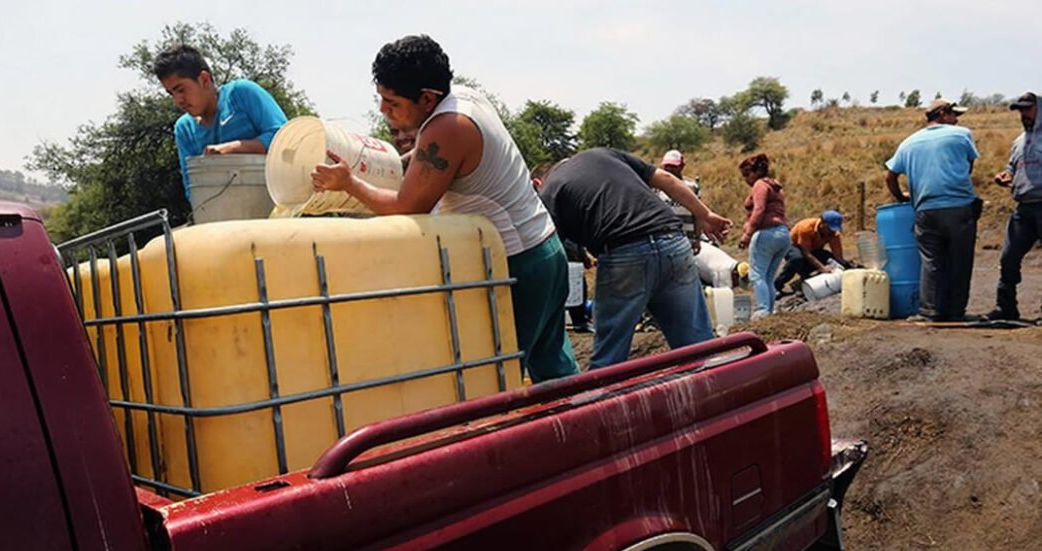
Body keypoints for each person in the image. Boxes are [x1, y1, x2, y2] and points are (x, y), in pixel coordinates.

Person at [309, 35, 578, 382]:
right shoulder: (462, 98)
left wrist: (350, 184)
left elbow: (407, 208)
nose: (383, 111)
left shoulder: (448, 128)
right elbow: (426, 157)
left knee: (498, 377)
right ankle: (585, 430)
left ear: (426, 98)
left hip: (517, 264)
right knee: (553, 368)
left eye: (391, 102)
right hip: (544, 249)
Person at [533, 149, 732, 370]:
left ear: (537, 182)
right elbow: (666, 179)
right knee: (697, 347)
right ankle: (713, 395)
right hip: (673, 242)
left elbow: (551, 252)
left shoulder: (549, 191)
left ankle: (603, 400)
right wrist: (705, 214)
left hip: (624, 253)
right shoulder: (603, 154)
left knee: (610, 356)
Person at [885, 98, 980, 322]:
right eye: (954, 114)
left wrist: (902, 197)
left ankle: (930, 311)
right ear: (943, 113)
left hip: (926, 209)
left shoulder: (908, 142)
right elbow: (968, 166)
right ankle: (956, 311)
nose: (957, 120)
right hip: (959, 208)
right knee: (960, 260)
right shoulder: (961, 135)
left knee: (931, 261)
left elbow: (890, 176)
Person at [153, 45, 288, 202]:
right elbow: (193, 189)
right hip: (223, 220)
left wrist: (232, 149)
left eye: (181, 89)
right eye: (171, 93)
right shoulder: (184, 129)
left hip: (275, 210)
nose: (178, 101)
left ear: (204, 79)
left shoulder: (242, 93)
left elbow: (285, 140)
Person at [987, 92, 1042, 321]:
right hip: (1023, 207)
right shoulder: (1018, 141)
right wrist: (1006, 175)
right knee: (1008, 258)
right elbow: (1012, 166)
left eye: (1027, 109)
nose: (1023, 114)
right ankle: (1006, 308)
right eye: (1020, 110)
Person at [737, 154, 790, 318]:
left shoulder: (760, 185)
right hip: (783, 234)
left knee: (756, 274)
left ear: (755, 173)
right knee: (768, 276)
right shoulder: (775, 186)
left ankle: (762, 310)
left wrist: (747, 233)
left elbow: (759, 210)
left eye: (747, 174)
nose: (745, 179)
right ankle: (770, 310)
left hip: (767, 233)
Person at [775, 210, 852, 294]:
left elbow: (838, 256)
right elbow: (806, 253)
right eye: (830, 228)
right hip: (793, 247)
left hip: (813, 249)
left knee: (829, 258)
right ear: (823, 223)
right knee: (797, 259)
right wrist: (822, 268)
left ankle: (805, 278)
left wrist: (846, 267)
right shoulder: (805, 228)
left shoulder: (833, 234)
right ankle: (776, 285)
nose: (832, 231)